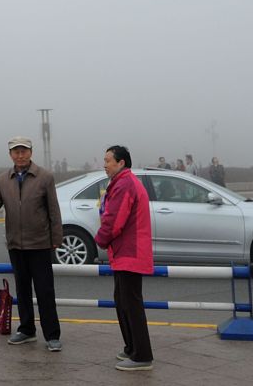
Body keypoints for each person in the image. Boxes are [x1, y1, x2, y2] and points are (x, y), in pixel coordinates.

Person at [0, 136, 63, 352]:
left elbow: (54, 211)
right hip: (16, 244)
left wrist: (56, 239)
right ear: (10, 155)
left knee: (45, 290)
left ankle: (52, 334)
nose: (20, 155)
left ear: (31, 152)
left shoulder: (45, 177)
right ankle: (26, 330)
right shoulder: (2, 179)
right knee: (23, 289)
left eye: (24, 151)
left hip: (40, 244)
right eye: (16, 151)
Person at [95, 144, 154, 371]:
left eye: (108, 160)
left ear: (121, 163)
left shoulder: (125, 184)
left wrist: (99, 239)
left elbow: (114, 220)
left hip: (130, 253)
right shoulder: (121, 183)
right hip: (124, 253)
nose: (105, 165)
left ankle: (142, 356)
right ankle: (132, 348)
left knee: (131, 304)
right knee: (123, 301)